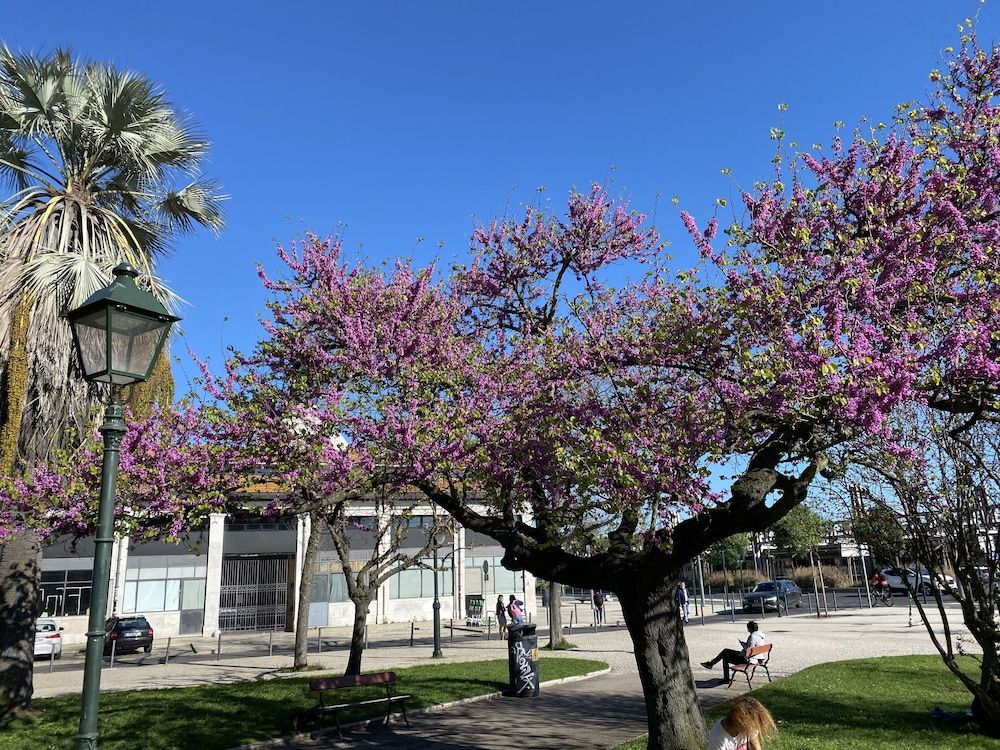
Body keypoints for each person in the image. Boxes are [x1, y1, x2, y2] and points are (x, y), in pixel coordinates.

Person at [701, 620, 766, 683]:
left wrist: (743, 644)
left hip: (748, 660)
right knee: (726, 652)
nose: (747, 630)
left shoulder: (753, 636)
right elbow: (752, 648)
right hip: (756, 658)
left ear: (750, 629)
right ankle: (711, 664)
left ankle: (713, 665)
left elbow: (748, 651)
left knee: (725, 654)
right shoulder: (761, 636)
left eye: (748, 628)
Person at [707, 695, 776, 750]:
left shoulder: (749, 727)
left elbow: (754, 741)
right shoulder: (718, 740)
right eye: (753, 726)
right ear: (739, 723)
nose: (754, 729)